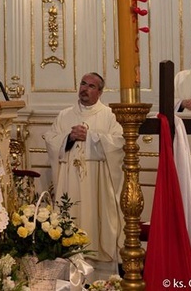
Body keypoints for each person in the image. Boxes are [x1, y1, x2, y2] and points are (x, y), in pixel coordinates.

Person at [44, 72, 124, 278]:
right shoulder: (65, 115)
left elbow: (118, 144)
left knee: (94, 220)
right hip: (69, 181)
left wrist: (91, 138)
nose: (84, 89)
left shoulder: (108, 115)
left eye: (91, 86)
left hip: (96, 185)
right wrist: (68, 138)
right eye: (82, 84)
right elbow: (51, 140)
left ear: (100, 92)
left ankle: (100, 278)